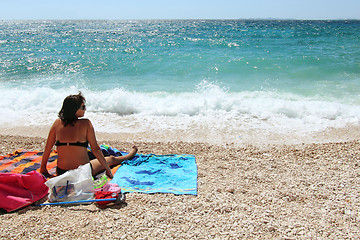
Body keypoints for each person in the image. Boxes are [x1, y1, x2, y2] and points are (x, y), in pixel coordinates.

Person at [40, 92, 138, 179]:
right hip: (82, 173)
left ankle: (128, 155)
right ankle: (130, 155)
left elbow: (48, 148)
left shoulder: (57, 123)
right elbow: (96, 149)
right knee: (111, 159)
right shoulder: (86, 124)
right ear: (74, 109)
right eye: (82, 107)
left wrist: (43, 168)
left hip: (62, 172)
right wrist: (108, 170)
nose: (85, 109)